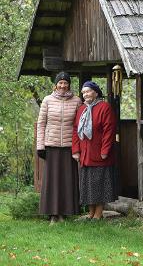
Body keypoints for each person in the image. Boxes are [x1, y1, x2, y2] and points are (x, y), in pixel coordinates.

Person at [36, 71, 82, 224]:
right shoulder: (47, 100)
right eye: (60, 83)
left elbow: (79, 125)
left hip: (69, 146)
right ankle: (53, 215)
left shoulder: (76, 101)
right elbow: (41, 124)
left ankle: (64, 214)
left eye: (65, 82)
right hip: (52, 145)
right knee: (52, 180)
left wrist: (79, 146)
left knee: (67, 180)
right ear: (55, 85)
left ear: (69, 84)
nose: (63, 85)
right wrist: (40, 145)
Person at [72, 81, 118, 220]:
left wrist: (104, 151)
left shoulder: (104, 107)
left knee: (99, 184)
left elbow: (109, 130)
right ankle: (91, 213)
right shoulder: (81, 109)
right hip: (85, 154)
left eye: (88, 91)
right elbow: (75, 130)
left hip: (99, 154)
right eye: (83, 92)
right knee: (88, 185)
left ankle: (98, 214)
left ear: (96, 92)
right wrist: (76, 150)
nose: (85, 94)